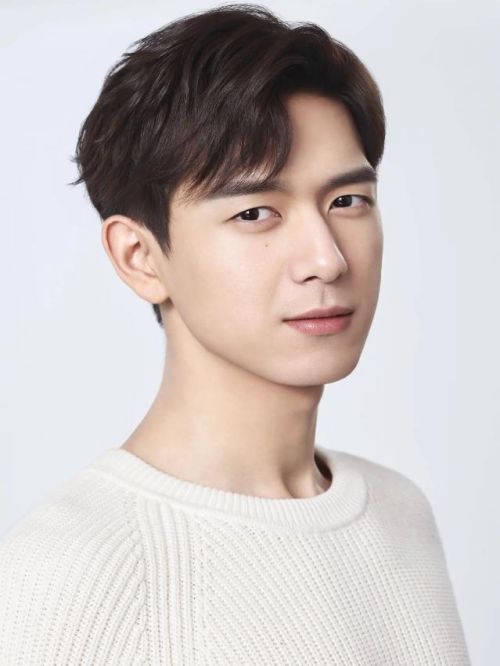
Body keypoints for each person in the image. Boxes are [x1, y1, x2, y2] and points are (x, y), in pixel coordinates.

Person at [0, 4, 470, 664]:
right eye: (255, 213)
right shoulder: (67, 576)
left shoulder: (399, 512)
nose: (327, 259)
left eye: (347, 201)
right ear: (140, 257)